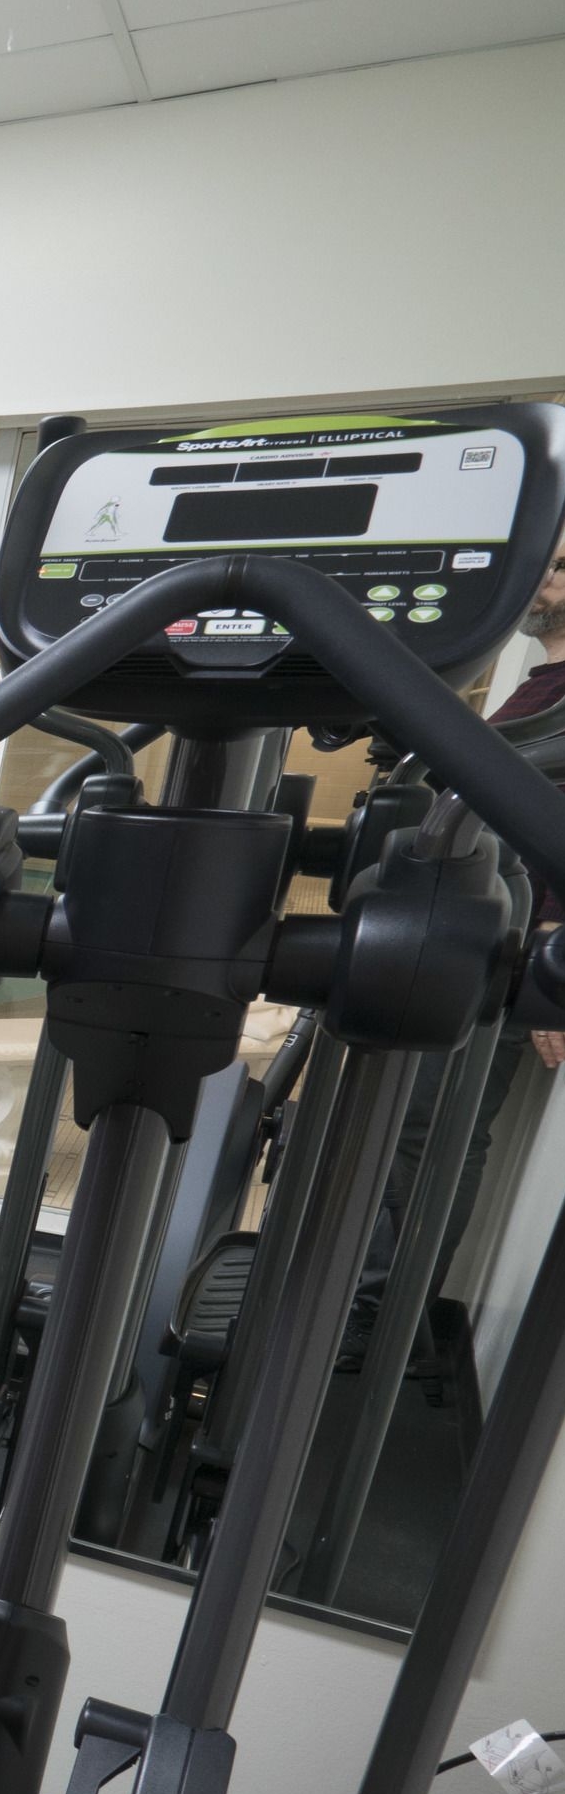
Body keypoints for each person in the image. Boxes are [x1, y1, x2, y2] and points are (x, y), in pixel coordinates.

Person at [344, 536, 565, 1364]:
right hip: (459, 934)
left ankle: (376, 1318)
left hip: (505, 954)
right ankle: (358, 1294)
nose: (539, 582)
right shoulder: (538, 688)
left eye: (560, 568)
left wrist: (553, 955)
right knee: (400, 1128)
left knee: (431, 1137)